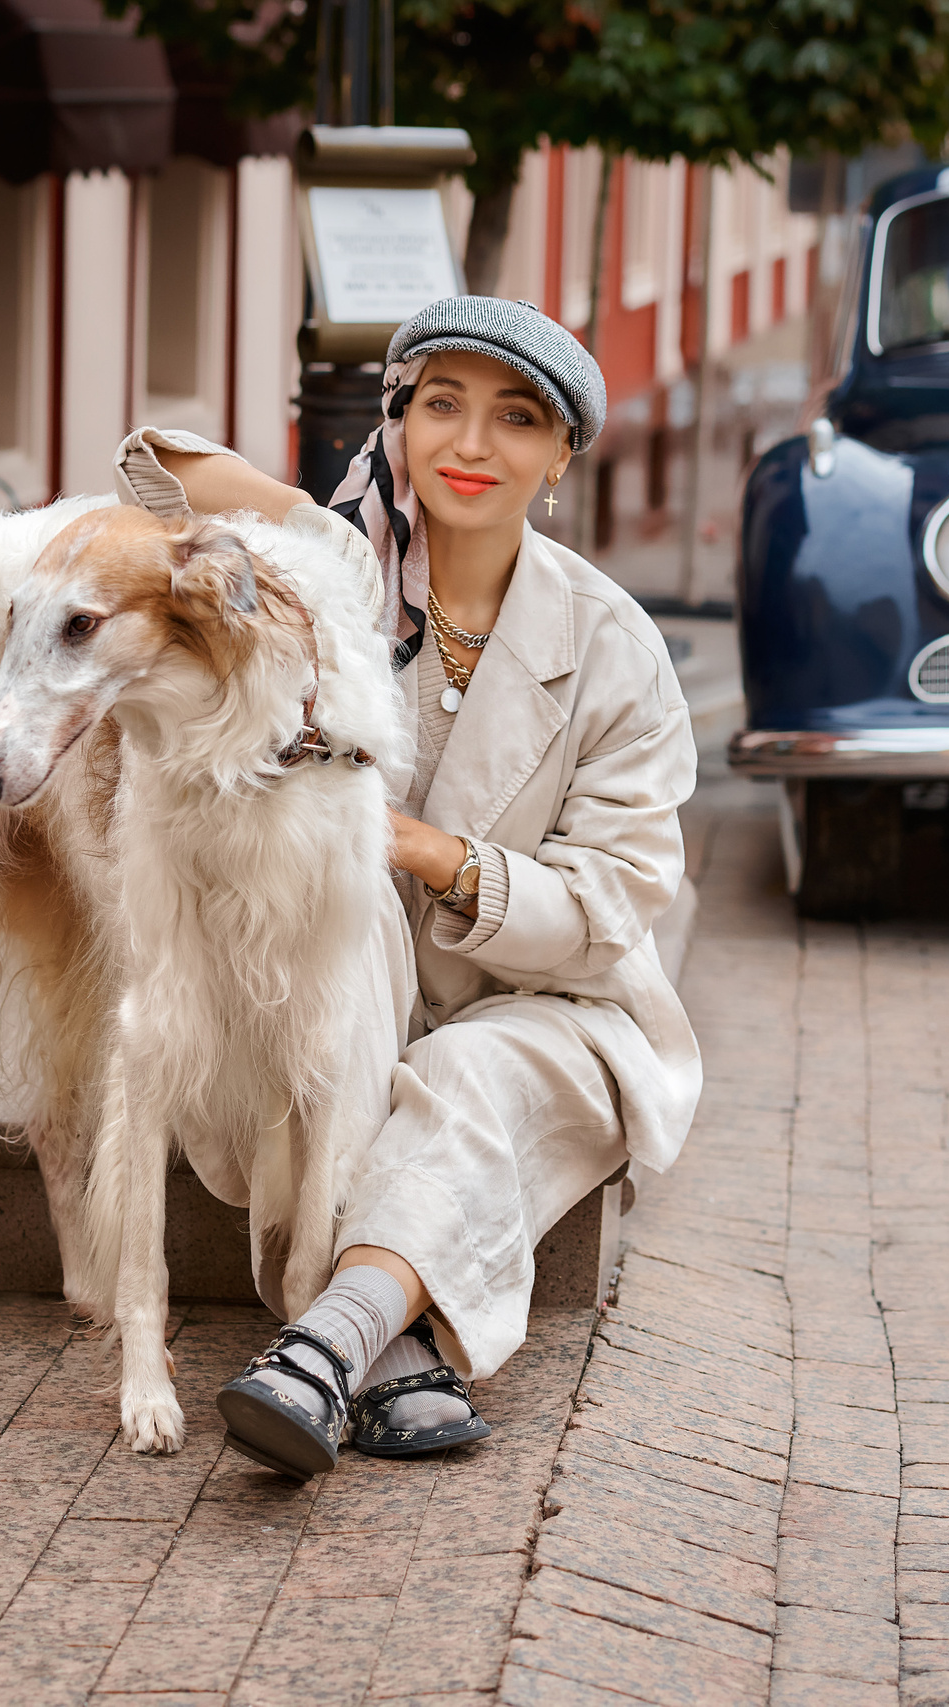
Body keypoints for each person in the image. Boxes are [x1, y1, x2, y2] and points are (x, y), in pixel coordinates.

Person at [112, 295, 699, 1478]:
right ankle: (366, 1352)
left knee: (469, 1065)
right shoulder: (325, 583)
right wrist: (308, 520)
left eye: (515, 420)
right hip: (325, 994)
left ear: (560, 457)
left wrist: (431, 852)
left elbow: (611, 914)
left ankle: (326, 1340)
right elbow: (151, 470)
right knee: (343, 932)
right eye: (440, 408)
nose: (470, 448)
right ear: (397, 422)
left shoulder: (614, 645)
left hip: (549, 1004)